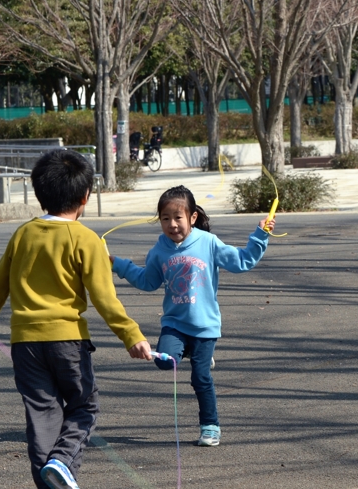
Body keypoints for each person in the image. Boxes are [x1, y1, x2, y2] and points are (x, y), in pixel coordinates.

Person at [0, 149, 152, 489]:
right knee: (84, 406)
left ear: (39, 194)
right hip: (67, 341)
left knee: (42, 414)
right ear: (85, 196)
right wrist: (131, 335)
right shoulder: (86, 239)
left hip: (25, 344)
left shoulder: (24, 234)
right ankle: (62, 460)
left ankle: (49, 480)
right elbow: (103, 296)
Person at [110, 186, 274, 448]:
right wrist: (118, 264)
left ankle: (210, 426)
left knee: (200, 378)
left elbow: (242, 261)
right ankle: (187, 351)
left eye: (178, 218)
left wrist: (260, 234)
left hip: (205, 325)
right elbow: (147, 281)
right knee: (165, 362)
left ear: (193, 217)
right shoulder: (159, 251)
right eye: (165, 218)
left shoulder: (208, 243)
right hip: (174, 324)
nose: (172, 224)